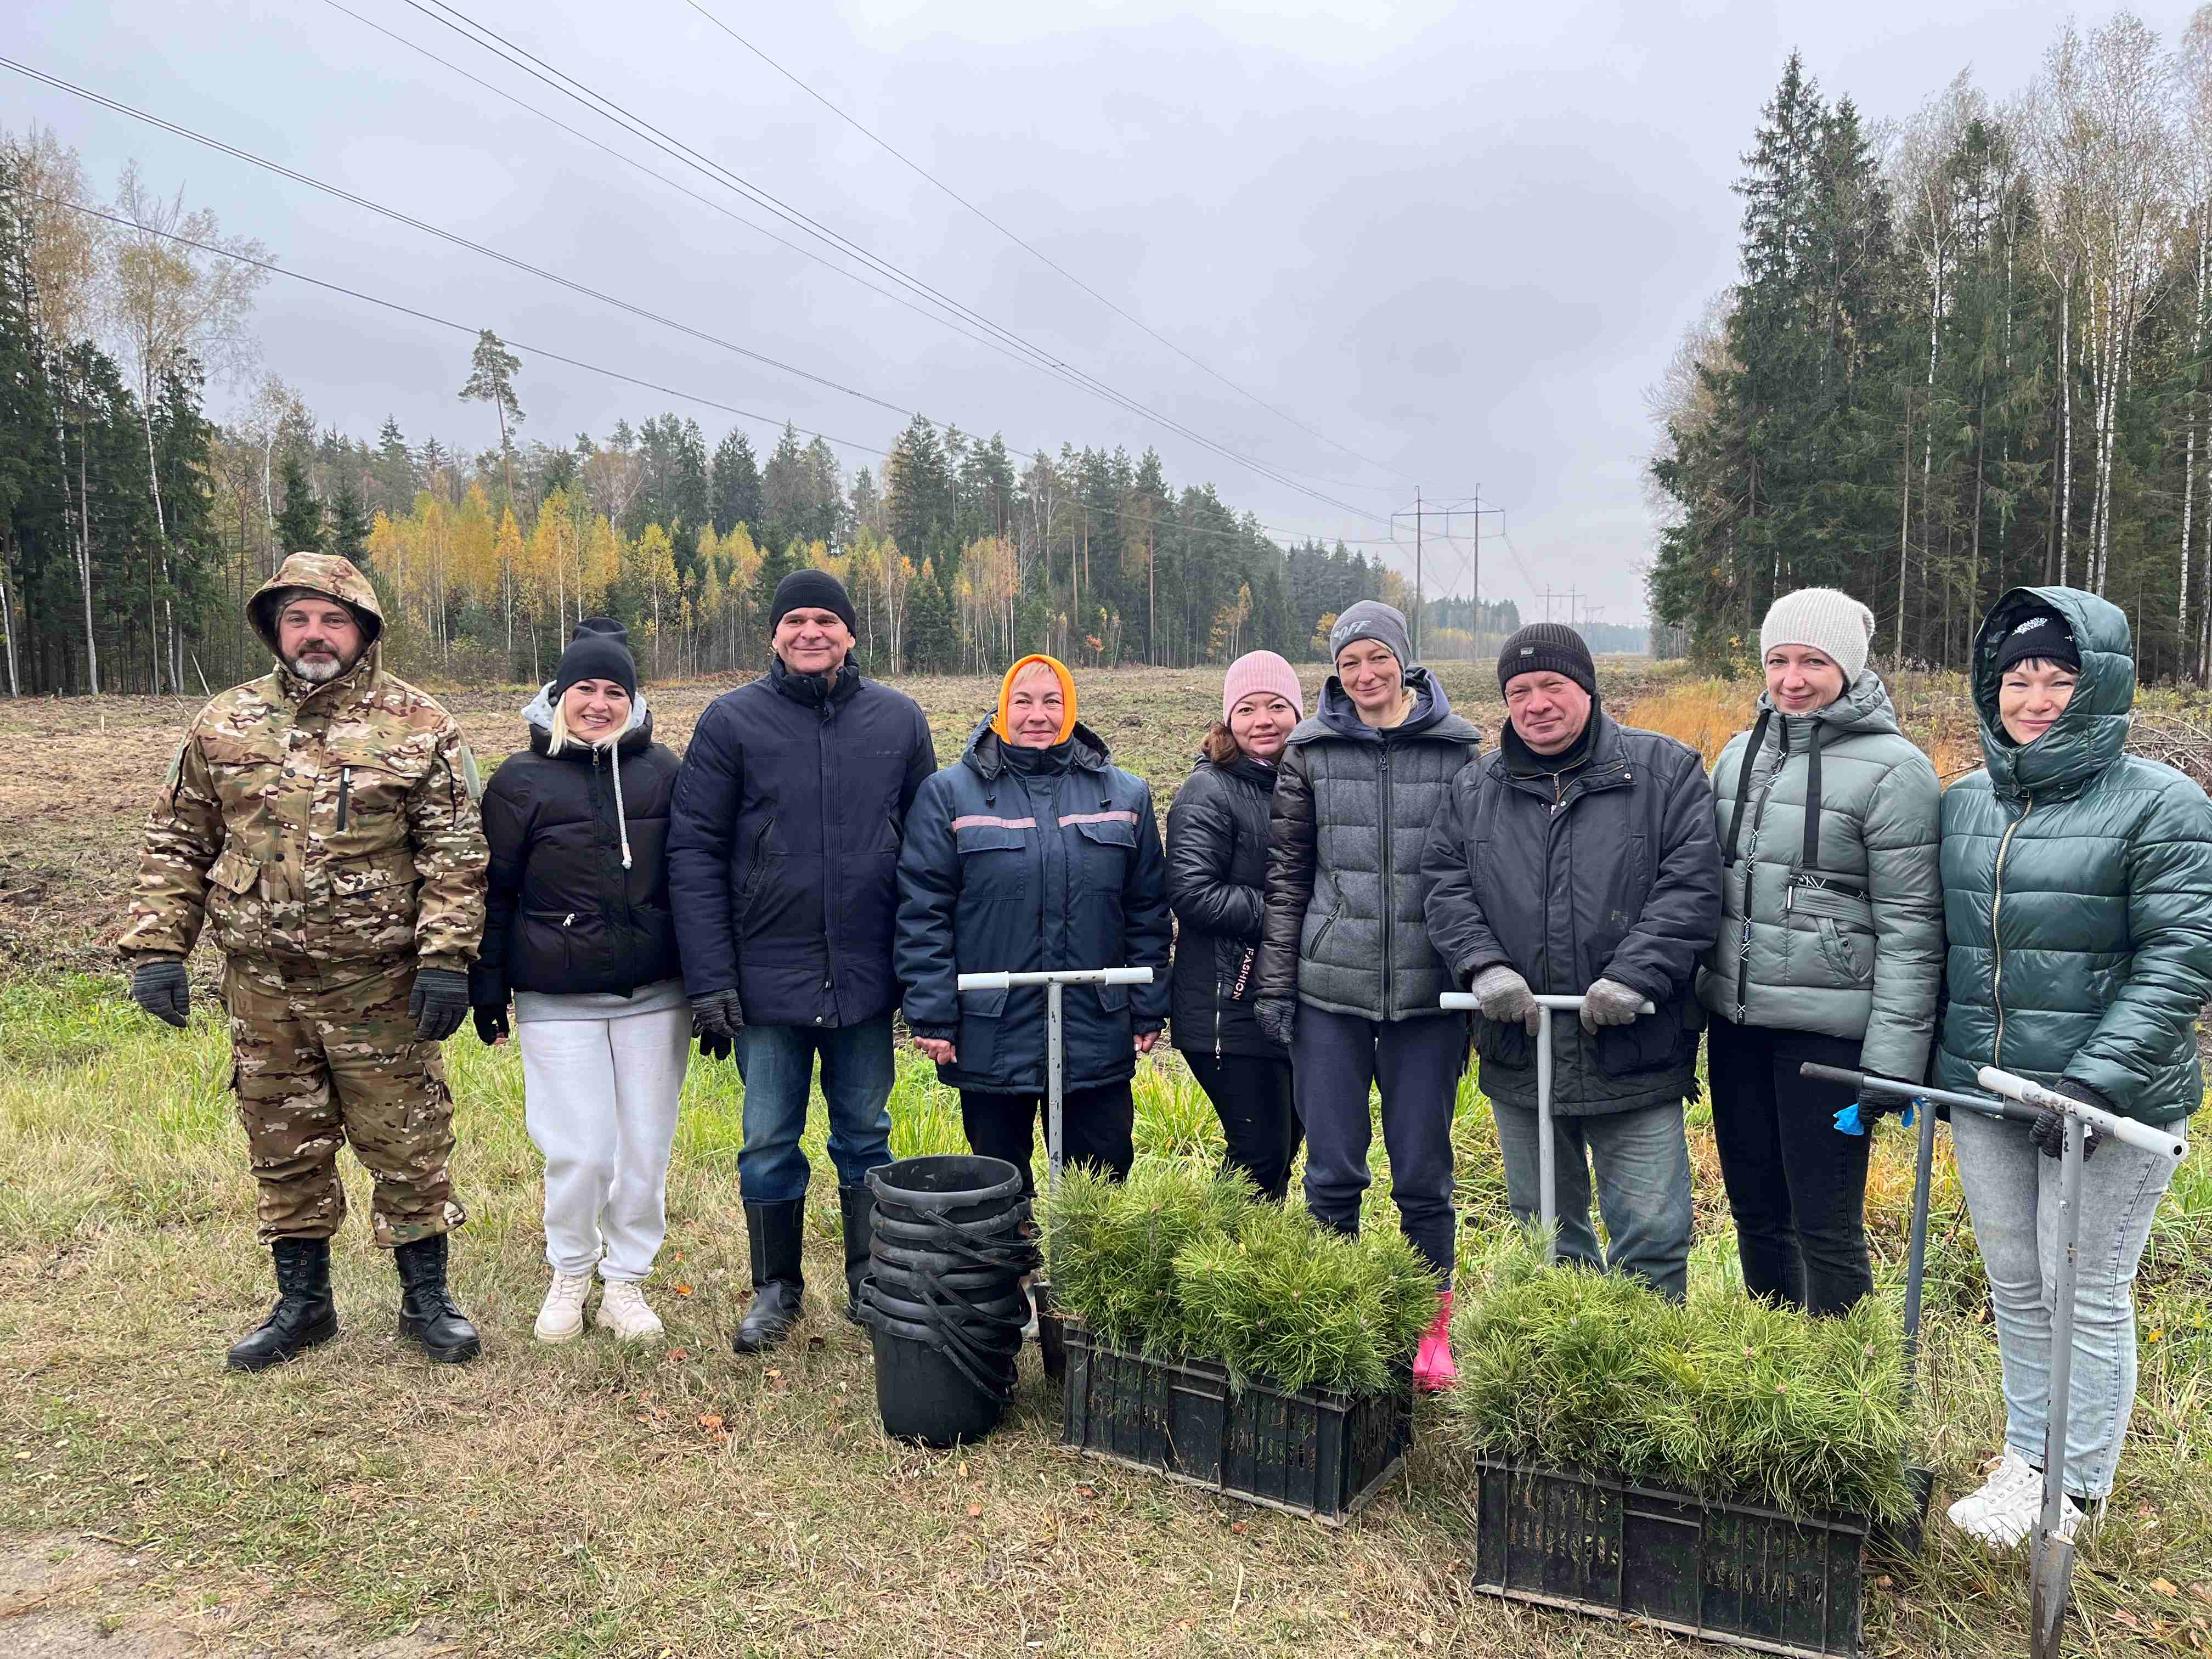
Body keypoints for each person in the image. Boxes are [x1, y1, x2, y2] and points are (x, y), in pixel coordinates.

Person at [119, 553, 487, 1370]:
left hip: (379, 985)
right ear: (275, 629)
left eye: (332, 620)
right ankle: (303, 1304)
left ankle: (426, 1302)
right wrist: (156, 945)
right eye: (298, 619)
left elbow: (455, 854)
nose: (315, 635)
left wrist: (446, 960)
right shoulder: (225, 723)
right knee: (284, 1146)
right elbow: (178, 838)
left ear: (363, 631)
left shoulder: (420, 724)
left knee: (408, 1143)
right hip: (263, 988)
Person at [1936, 589, 2212, 1549]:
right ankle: (2027, 1452)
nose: (2035, 695)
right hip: (1990, 1090)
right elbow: (1953, 954)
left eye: (2059, 676)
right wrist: (1939, 1070)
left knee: (2082, 1287)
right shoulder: (1968, 801)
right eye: (2018, 676)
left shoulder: (2161, 801)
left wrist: (2092, 1079)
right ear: (1991, 685)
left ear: (2098, 684)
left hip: (2113, 1099)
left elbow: (2182, 953)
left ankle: (2073, 1485)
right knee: (2015, 1279)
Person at [668, 571, 936, 1356]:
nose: (811, 632)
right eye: (796, 620)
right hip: (767, 982)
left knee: (865, 1134)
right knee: (767, 1137)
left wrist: (918, 975)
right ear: (775, 635)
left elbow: (927, 855)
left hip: (863, 979)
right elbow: (695, 852)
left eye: (827, 619)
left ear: (852, 634)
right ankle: (776, 1287)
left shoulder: (898, 720)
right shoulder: (732, 722)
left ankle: (870, 1278)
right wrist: (711, 978)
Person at [1422, 622, 1720, 1305]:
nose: (1536, 704)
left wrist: (1634, 975)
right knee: (1548, 1233)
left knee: (1651, 1230)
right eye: (1519, 691)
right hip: (1522, 1050)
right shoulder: (1475, 790)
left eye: (1553, 685)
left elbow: (1692, 886)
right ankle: (1564, 1380)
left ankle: (1645, 1380)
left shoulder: (1663, 773)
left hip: (1632, 1049)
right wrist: (1483, 966)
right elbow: (1444, 884)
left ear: (1587, 688)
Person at [1257, 601, 1482, 1390]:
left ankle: (1431, 1333)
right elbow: (1288, 878)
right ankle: (1338, 1317)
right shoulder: (1309, 752)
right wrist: (1278, 985)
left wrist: (1477, 985)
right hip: (1330, 997)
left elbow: (1478, 878)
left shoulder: (1461, 751)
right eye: (1349, 663)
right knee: (1333, 1174)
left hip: (1428, 1001)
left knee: (1424, 1173)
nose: (1364, 676)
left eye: (1377, 658)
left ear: (1404, 661)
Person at [1699, 590, 1943, 1316]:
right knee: (1755, 1210)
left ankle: (1839, 1381)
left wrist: (1894, 1062)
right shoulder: (1739, 755)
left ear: (1850, 667)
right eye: (1778, 660)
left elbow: (1913, 928)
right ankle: (1771, 1368)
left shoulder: (1898, 772)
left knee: (1825, 1224)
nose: (1792, 678)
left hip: (1828, 1035)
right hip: (1738, 1024)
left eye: (1813, 661)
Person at [473, 619, 688, 1345]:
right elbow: (493, 891)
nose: (599, 703)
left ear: (634, 700)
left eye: (615, 691)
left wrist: (714, 986)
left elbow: (696, 882)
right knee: (582, 1151)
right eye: (584, 689)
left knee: (644, 1150)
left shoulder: (664, 772)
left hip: (656, 997)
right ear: (558, 695)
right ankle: (571, 1269)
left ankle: (625, 1281)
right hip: (554, 997)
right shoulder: (518, 781)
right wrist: (486, 983)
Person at [896, 654, 1172, 1195]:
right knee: (998, 1181)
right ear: (1002, 710)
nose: (1037, 714)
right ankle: (1009, 1276)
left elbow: (1147, 910)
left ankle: (1088, 1279)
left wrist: (1148, 1004)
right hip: (992, 1027)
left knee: (1101, 1174)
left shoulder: (1125, 796)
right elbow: (922, 911)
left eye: (1053, 701)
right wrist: (932, 1013)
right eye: (1023, 701)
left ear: (1071, 710)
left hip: (1094, 1022)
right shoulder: (949, 794)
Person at [1169, 651, 1305, 1201]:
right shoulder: (1210, 790)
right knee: (1259, 1151)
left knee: (1284, 1143)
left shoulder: (1298, 784)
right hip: (1225, 1004)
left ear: (1299, 712)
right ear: (1228, 720)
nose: (1263, 720)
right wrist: (1288, 914)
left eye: (1277, 706)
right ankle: (1221, 1264)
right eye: (1247, 709)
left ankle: (1256, 1264)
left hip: (1282, 997)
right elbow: (1192, 893)